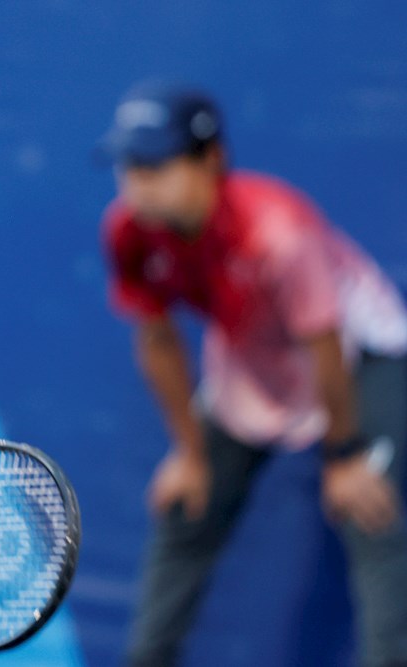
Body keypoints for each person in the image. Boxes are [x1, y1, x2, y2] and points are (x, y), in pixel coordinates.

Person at [97, 80, 407, 667]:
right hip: (252, 355)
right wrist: (189, 452)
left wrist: (345, 455)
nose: (138, 183)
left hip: (356, 356)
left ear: (211, 160)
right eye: (129, 166)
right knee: (187, 504)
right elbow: (158, 341)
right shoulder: (127, 230)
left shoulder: (280, 234)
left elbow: (326, 344)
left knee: (371, 511)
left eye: (155, 165)